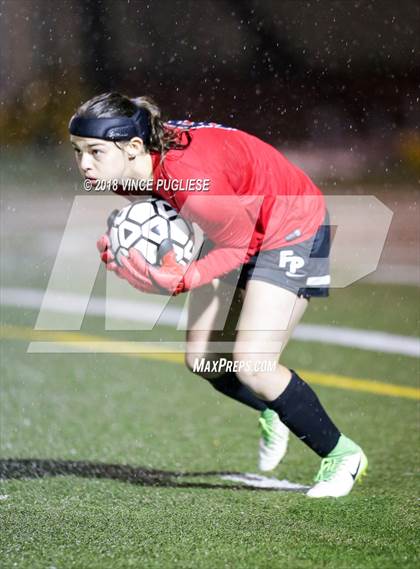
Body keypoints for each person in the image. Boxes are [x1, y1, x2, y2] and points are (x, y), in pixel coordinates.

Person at [69, 92, 368, 498]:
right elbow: (164, 215)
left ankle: (343, 454)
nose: (84, 163)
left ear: (134, 146)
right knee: (204, 360)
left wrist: (184, 277)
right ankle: (273, 409)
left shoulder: (192, 179)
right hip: (236, 224)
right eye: (78, 151)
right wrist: (124, 246)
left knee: (254, 365)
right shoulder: (127, 168)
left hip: (289, 224)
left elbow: (237, 242)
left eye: (95, 151)